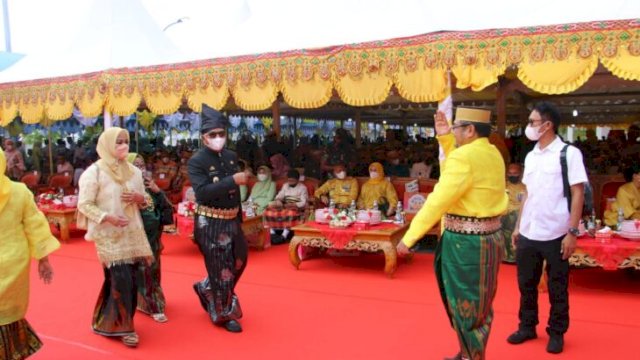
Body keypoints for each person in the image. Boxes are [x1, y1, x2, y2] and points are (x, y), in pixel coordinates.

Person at [397, 107, 508, 360]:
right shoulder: (493, 153)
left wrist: (409, 237)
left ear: (470, 130)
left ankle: (472, 356)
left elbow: (439, 199)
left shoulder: (464, 158)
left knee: (464, 305)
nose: (454, 130)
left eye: (457, 127)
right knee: (480, 305)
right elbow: (460, 172)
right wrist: (446, 137)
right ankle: (469, 352)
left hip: (465, 243)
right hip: (489, 238)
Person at [507, 101, 588, 355]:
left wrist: (572, 232)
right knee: (526, 284)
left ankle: (556, 332)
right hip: (530, 230)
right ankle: (527, 326)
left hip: (556, 232)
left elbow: (578, 194)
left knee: (557, 286)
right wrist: (518, 226)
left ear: (547, 125)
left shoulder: (569, 154)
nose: (529, 127)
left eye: (532, 122)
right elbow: (527, 194)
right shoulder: (531, 156)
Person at [77, 127, 154, 348]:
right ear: (107, 144)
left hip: (133, 232)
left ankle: (107, 320)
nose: (123, 146)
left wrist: (140, 197)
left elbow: (145, 200)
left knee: (126, 280)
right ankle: (124, 327)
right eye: (118, 141)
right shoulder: (95, 172)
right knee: (122, 280)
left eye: (125, 141)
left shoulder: (134, 172)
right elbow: (84, 204)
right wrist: (107, 217)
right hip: (109, 235)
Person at [187, 104, 248, 333]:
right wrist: (232, 180)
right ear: (204, 138)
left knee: (240, 260)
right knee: (222, 269)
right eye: (213, 135)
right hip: (210, 222)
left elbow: (235, 194)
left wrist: (240, 218)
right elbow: (202, 192)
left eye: (221, 134)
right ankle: (222, 314)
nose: (218, 138)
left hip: (232, 219)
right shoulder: (197, 161)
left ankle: (206, 287)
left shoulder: (231, 156)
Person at [0, 148, 60, 360]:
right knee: (8, 318)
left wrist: (43, 259)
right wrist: (43, 260)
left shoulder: (19, 192)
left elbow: (35, 226)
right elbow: (36, 226)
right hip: (14, 263)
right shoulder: (19, 191)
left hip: (12, 265)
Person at [128, 153, 171, 323]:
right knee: (144, 272)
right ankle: (153, 307)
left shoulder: (149, 188)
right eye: (136, 165)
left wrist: (158, 192)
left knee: (154, 272)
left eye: (143, 165)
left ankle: (148, 302)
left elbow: (167, 213)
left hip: (155, 239)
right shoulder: (127, 190)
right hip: (139, 240)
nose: (141, 168)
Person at [265, 169, 308, 244]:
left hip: (296, 207)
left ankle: (284, 235)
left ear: (297, 180)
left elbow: (303, 202)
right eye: (289, 180)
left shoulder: (302, 188)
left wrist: (293, 205)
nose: (290, 182)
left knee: (290, 213)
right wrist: (278, 200)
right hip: (284, 205)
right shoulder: (285, 185)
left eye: (292, 180)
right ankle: (272, 233)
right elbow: (280, 195)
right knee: (269, 211)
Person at [501, 163, 527, 263]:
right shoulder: (503, 185)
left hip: (520, 216)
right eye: (510, 173)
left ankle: (517, 256)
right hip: (505, 216)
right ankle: (507, 256)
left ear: (520, 173)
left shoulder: (525, 187)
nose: (512, 175)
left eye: (515, 173)